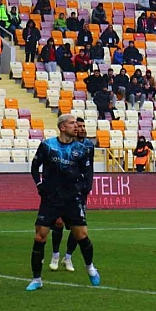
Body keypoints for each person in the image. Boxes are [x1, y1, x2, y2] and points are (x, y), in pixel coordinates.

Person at [27, 115, 99, 291]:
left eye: (77, 123)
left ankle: (90, 267)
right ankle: (37, 279)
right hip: (51, 198)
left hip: (72, 198)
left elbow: (87, 171)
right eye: (72, 123)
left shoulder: (81, 149)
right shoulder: (47, 145)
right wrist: (39, 185)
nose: (77, 127)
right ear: (62, 127)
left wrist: (84, 189)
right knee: (39, 236)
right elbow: (35, 167)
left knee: (81, 235)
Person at [49, 117, 94, 272]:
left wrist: (88, 185)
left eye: (83, 126)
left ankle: (68, 257)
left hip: (80, 190)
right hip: (62, 190)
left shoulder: (88, 145)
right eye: (78, 125)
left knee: (78, 227)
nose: (81, 128)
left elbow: (89, 167)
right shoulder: (65, 146)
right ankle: (55, 254)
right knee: (58, 222)